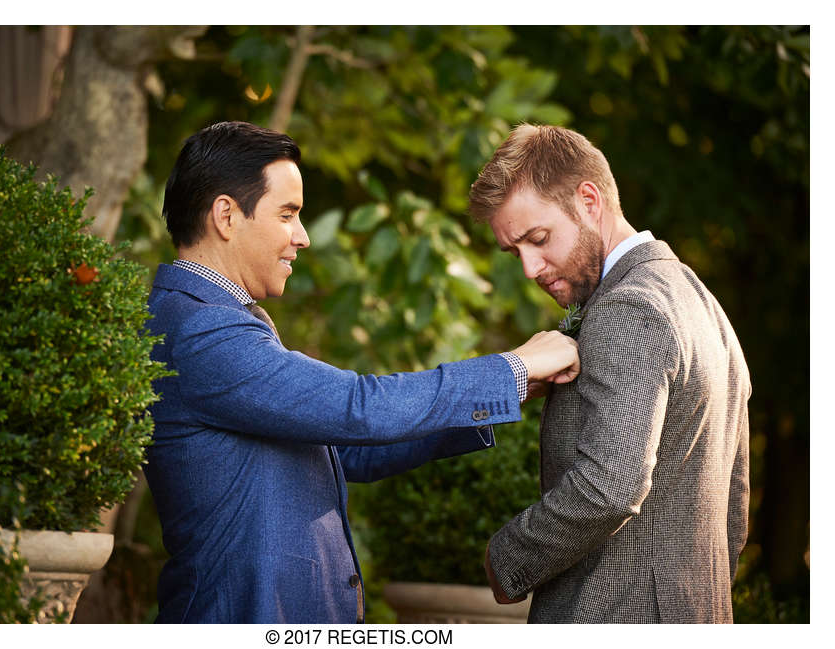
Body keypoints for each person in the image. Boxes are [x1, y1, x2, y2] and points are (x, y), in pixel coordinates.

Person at [142, 121, 580, 624]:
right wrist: (514, 368)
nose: (302, 237)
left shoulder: (212, 321)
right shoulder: (200, 330)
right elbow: (359, 408)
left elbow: (343, 448)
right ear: (225, 215)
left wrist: (514, 392)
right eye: (288, 214)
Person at [470, 123, 750, 623]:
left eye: (538, 239)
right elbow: (734, 508)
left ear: (589, 200)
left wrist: (506, 558)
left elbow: (610, 487)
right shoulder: (702, 303)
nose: (530, 268)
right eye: (516, 252)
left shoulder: (628, 308)